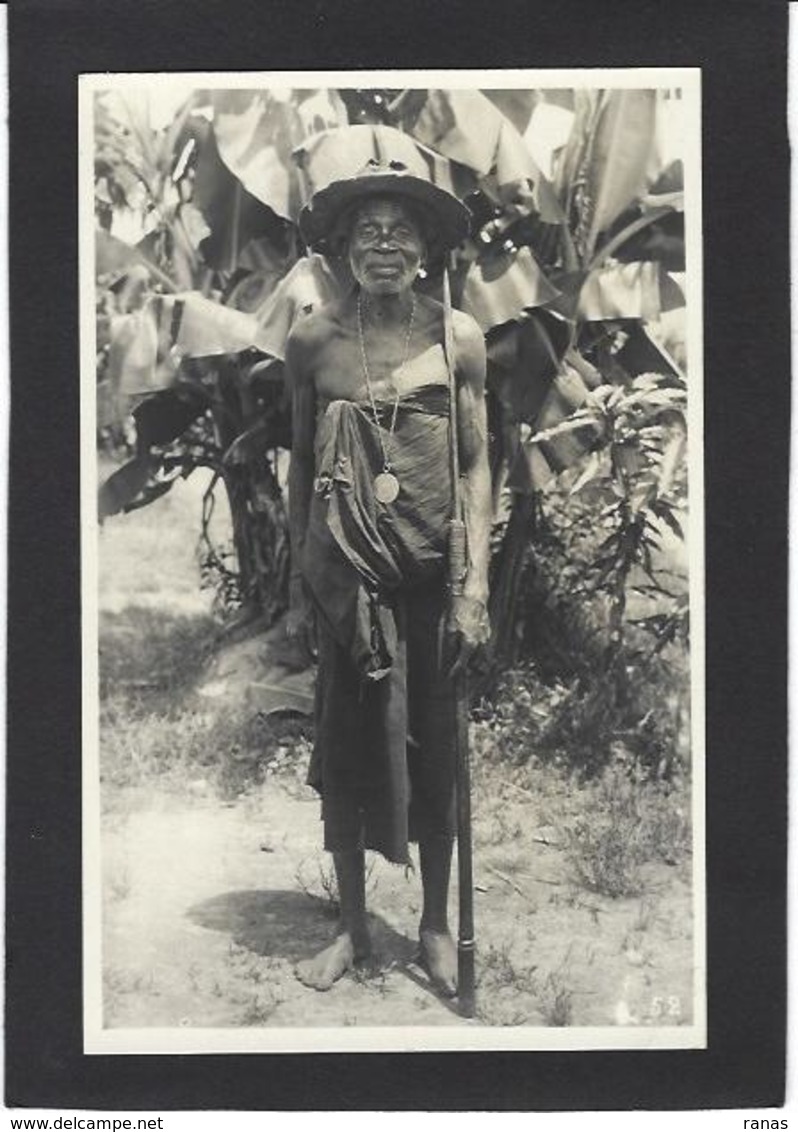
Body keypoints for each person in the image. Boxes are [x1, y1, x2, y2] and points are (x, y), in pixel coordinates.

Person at [285, 156, 491, 997]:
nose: (384, 244)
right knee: (346, 750)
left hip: (433, 580)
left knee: (437, 750)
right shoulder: (314, 341)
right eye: (367, 231)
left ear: (428, 248)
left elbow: (478, 463)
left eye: (402, 231)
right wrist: (305, 582)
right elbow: (300, 466)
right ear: (341, 246)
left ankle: (436, 926)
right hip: (346, 583)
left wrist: (473, 585)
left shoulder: (458, 337)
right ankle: (354, 929)